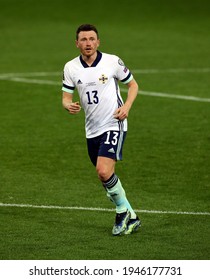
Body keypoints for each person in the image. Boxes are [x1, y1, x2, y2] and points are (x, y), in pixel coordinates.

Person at [62, 24, 140, 236]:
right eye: (84, 39)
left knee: (103, 170)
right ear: (77, 43)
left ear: (98, 42)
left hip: (115, 122)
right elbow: (66, 97)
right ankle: (132, 217)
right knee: (105, 175)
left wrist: (126, 107)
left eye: (92, 39)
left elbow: (133, 85)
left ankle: (121, 211)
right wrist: (68, 105)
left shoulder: (112, 61)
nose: (88, 43)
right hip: (92, 129)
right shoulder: (70, 68)